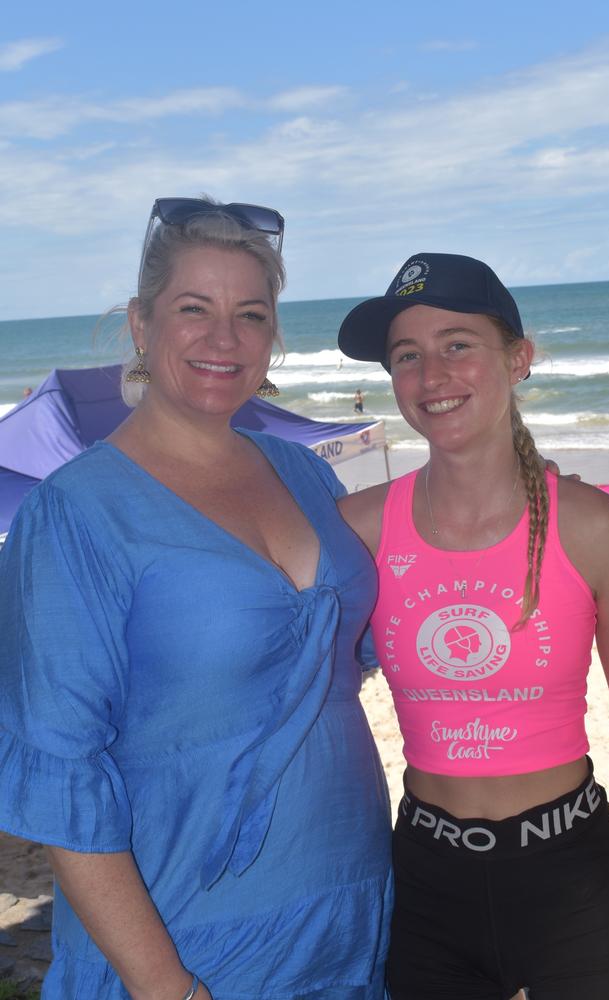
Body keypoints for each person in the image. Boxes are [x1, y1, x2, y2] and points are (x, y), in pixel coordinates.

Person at [0, 198, 393, 1000]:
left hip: (351, 915)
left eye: (251, 314)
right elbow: (61, 777)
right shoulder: (78, 513)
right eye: (194, 309)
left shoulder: (303, 473)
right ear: (141, 325)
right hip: (192, 944)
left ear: (273, 335)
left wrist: (504, 489)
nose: (225, 339)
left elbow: (356, 653)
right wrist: (163, 986)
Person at [337, 253, 609, 1000]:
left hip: (573, 876)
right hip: (424, 879)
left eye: (457, 344)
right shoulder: (359, 528)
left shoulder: (597, 528)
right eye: (406, 357)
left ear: (518, 359)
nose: (431, 375)